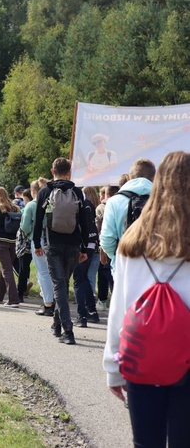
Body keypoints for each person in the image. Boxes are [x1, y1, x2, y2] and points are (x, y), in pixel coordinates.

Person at [102, 151, 190, 447]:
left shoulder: (132, 242)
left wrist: (113, 368)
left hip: (142, 358)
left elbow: (120, 310)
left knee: (146, 444)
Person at [32, 157, 96, 345]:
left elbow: (38, 220)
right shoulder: (77, 192)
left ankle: (68, 331)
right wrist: (84, 247)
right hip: (74, 245)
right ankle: (57, 323)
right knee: (63, 284)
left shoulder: (45, 191)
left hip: (53, 244)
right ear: (69, 172)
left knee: (59, 285)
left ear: (52, 172)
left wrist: (37, 243)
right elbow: (84, 223)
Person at [100, 158, 156, 263]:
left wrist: (116, 258)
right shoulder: (163, 200)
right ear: (154, 178)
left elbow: (107, 239)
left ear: (128, 178)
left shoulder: (113, 201)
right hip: (156, 264)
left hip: (125, 262)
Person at [21, 178, 55, 316]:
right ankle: (54, 300)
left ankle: (48, 303)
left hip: (38, 241)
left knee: (43, 273)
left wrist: (30, 234)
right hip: (52, 240)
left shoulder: (31, 205)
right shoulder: (52, 202)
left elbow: (25, 226)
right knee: (53, 272)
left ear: (33, 191)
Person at [0, 187, 21, 308]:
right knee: (4, 268)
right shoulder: (16, 208)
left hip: (1, 242)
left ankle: (13, 299)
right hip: (14, 242)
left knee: (6, 270)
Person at [72, 186, 101, 328]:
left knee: (78, 280)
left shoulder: (75, 203)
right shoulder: (89, 204)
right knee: (83, 278)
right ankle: (92, 311)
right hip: (92, 244)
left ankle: (81, 315)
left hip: (81, 246)